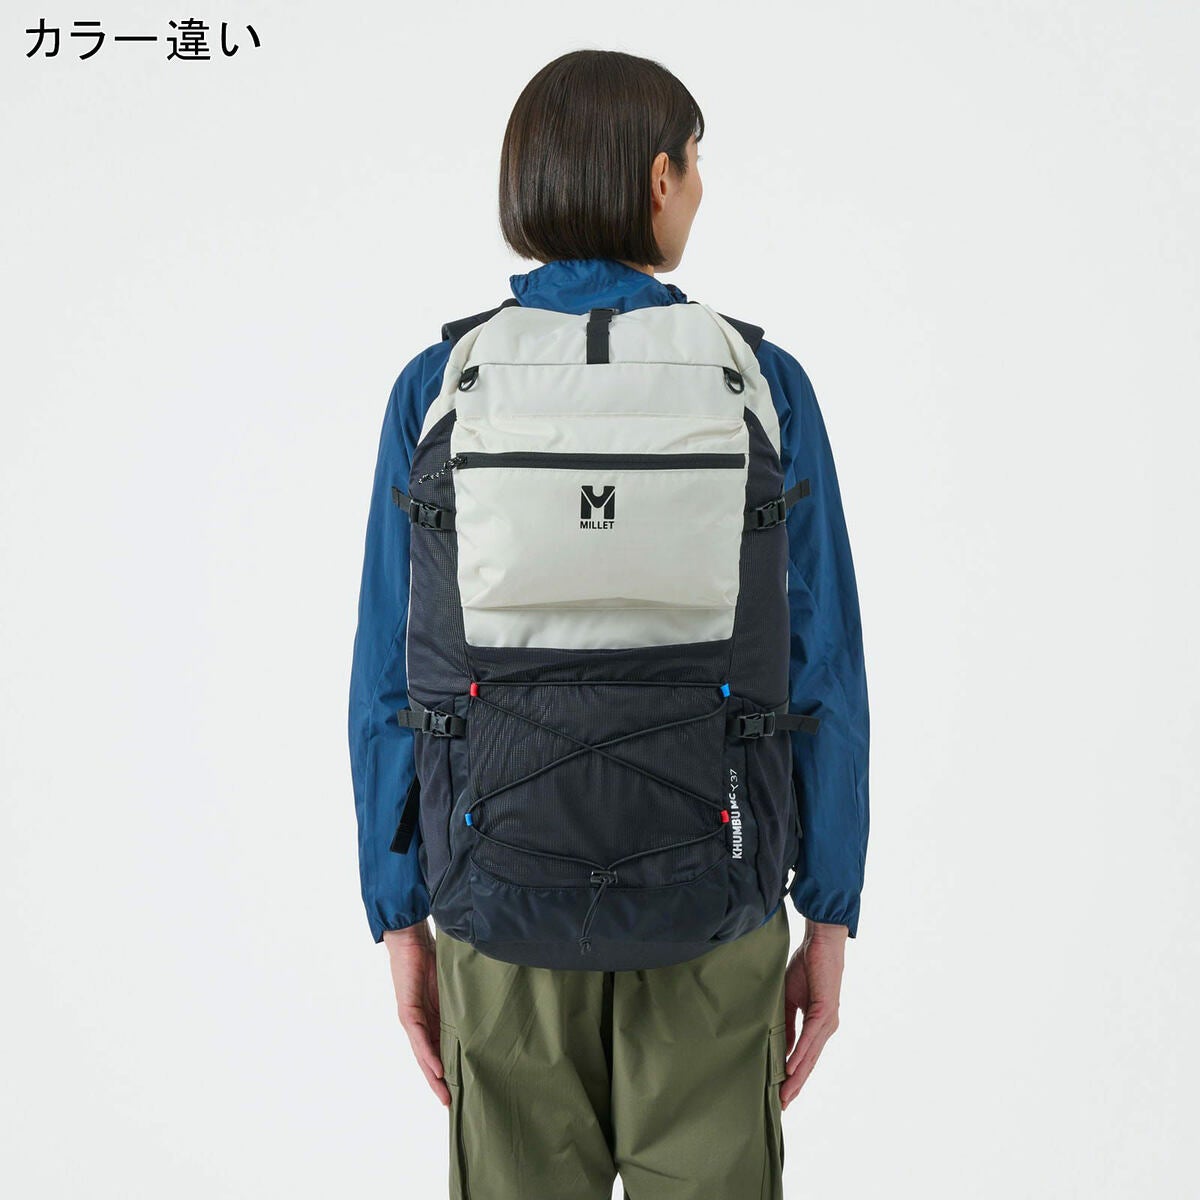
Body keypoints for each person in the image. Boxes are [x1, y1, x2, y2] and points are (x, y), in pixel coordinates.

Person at [348, 49, 870, 1200]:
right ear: (658, 177)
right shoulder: (760, 380)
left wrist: (400, 920)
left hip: (495, 902)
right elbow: (821, 664)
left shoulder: (441, 384)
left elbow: (391, 672)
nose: (700, 190)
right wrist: (828, 916)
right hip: (717, 898)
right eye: (697, 164)